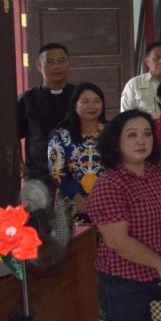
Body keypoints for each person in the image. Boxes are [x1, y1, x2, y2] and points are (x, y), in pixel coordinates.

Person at [86, 110, 161, 321]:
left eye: (147, 134)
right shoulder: (110, 183)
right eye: (132, 135)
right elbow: (118, 241)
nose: (141, 141)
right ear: (116, 141)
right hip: (127, 283)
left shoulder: (159, 172)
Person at [48, 82, 106, 222]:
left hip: (108, 201)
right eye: (85, 101)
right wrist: (76, 196)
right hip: (72, 204)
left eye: (96, 101)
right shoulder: (61, 135)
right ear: (74, 105)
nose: (91, 106)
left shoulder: (112, 132)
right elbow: (56, 172)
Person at [19, 42, 75, 177]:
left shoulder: (79, 95)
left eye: (61, 61)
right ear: (39, 65)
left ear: (68, 63)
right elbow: (13, 136)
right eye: (50, 62)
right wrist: (21, 167)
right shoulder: (27, 99)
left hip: (76, 172)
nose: (56, 66)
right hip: (39, 173)